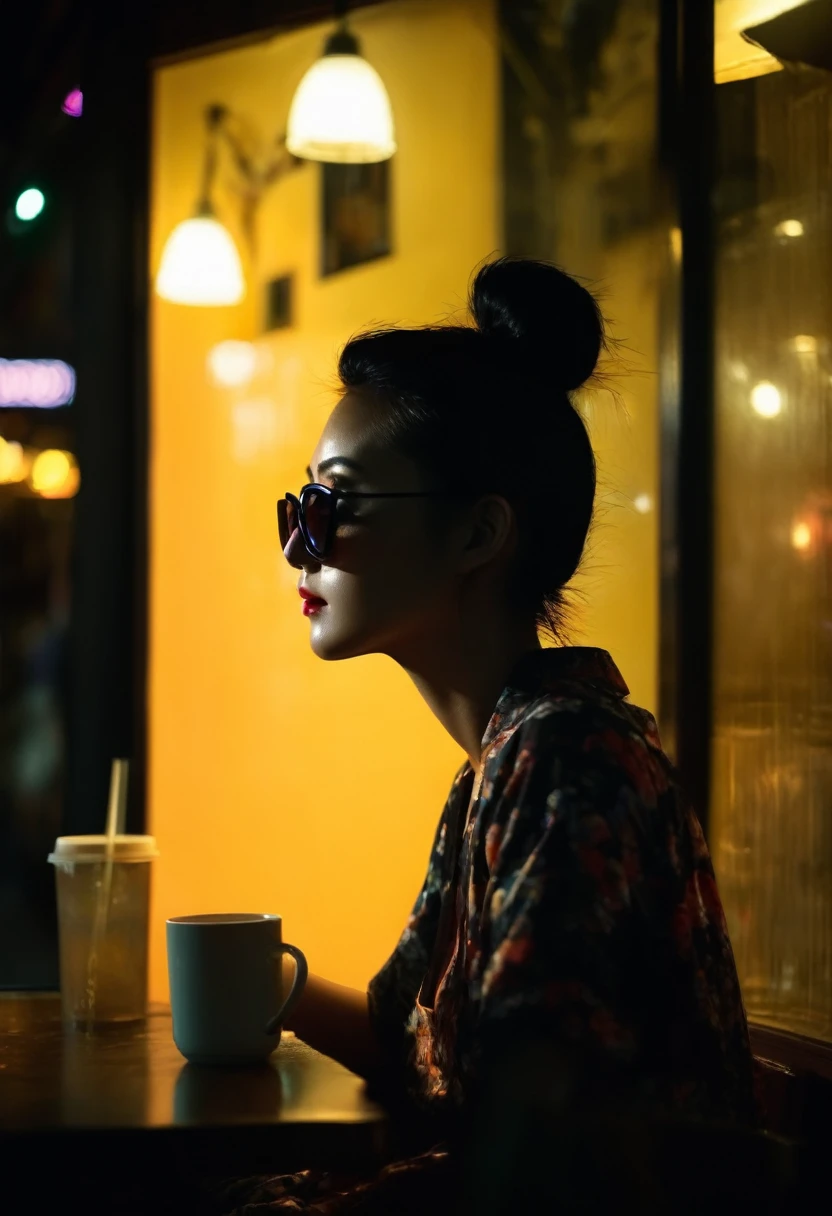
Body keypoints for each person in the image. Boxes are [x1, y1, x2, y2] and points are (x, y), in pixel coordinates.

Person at [205, 258, 760, 1215]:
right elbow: (404, 1036)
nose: (301, 542)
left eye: (338, 504)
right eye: (303, 504)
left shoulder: (567, 762)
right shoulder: (506, 760)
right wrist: (258, 982)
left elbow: (534, 1159)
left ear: (477, 536)